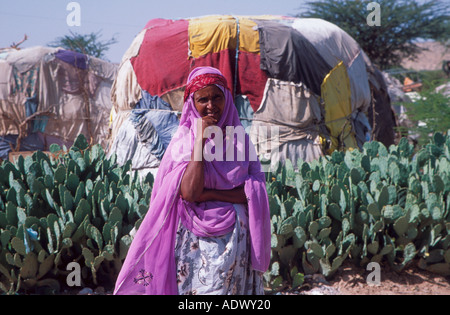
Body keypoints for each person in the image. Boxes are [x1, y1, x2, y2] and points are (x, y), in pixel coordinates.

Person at [114, 66, 271, 295]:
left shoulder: (241, 142)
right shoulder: (183, 142)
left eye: (217, 97)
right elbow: (189, 193)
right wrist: (200, 141)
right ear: (191, 103)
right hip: (192, 237)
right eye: (202, 99)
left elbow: (253, 191)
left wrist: (209, 194)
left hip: (236, 237)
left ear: (226, 98)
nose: (211, 105)